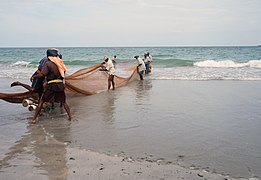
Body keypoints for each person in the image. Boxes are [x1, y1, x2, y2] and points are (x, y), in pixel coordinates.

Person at [29, 49, 71, 123]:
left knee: (41, 101)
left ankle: (34, 119)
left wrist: (34, 77)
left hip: (51, 86)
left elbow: (42, 74)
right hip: (60, 85)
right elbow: (63, 74)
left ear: (49, 56)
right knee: (64, 102)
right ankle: (70, 117)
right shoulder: (60, 64)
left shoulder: (48, 64)